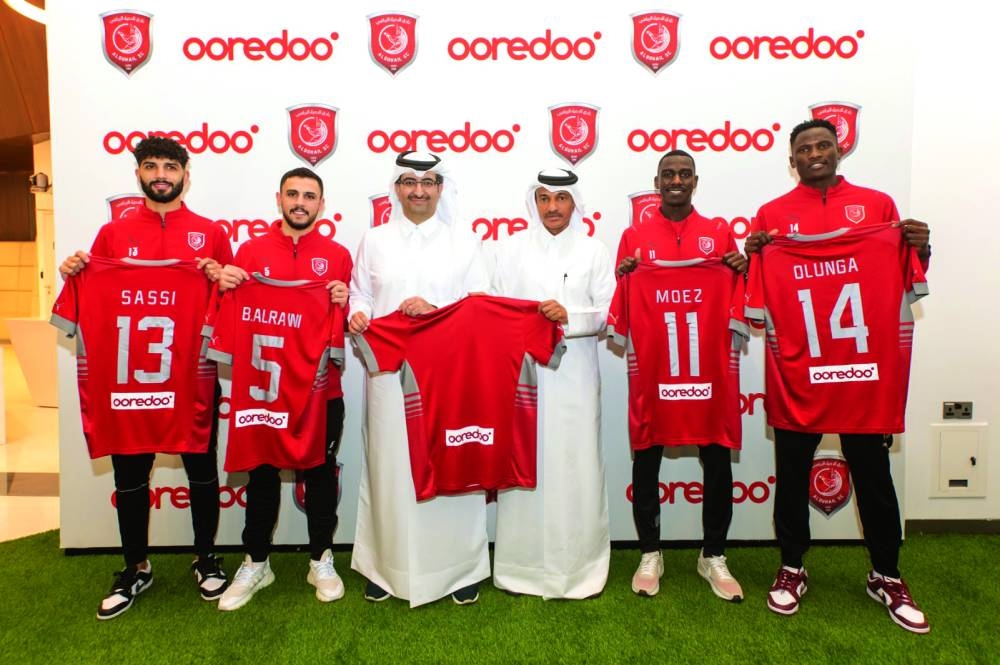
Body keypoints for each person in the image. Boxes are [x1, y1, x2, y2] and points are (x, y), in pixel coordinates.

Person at [744, 118, 931, 633]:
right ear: (793, 158)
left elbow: (908, 276)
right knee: (791, 474)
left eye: (823, 144)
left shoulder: (879, 207)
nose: (815, 153)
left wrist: (922, 245)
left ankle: (886, 574)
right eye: (804, 147)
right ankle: (791, 566)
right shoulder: (772, 218)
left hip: (861, 375)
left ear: (839, 149)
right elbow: (755, 297)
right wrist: (755, 256)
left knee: (874, 476)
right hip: (799, 374)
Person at [57, 136, 232, 619]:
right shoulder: (112, 235)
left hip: (190, 377)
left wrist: (222, 275)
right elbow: (90, 293)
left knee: (201, 471)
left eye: (170, 166)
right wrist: (75, 271)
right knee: (130, 475)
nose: (161, 174)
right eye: (151, 166)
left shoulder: (210, 233)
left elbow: (229, 302)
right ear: (138, 174)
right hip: (129, 381)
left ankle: (206, 558)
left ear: (185, 174)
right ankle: (136, 566)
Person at [348, 151, 490, 607]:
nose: (419, 191)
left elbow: (480, 305)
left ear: (440, 189)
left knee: (450, 461)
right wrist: (359, 313)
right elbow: (361, 293)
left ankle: (459, 569)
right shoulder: (374, 239)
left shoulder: (464, 241)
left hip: (449, 376)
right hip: (388, 377)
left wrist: (435, 312)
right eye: (409, 182)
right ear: (397, 188)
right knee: (391, 464)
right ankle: (386, 568)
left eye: (428, 183)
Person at [210, 167, 352, 610]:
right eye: (293, 194)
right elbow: (227, 313)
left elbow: (354, 320)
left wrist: (345, 301)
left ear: (321, 205)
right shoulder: (249, 252)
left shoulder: (339, 255)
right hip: (263, 393)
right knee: (262, 474)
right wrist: (227, 284)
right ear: (279, 199)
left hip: (319, 392)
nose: (300, 202)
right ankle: (256, 562)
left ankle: (321, 558)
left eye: (309, 196)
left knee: (320, 474)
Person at [615, 149, 748, 601]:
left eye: (684, 174)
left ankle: (713, 554)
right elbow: (621, 302)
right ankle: (650, 551)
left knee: (715, 456)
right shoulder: (633, 237)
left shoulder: (718, 233)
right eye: (668, 174)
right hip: (656, 374)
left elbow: (742, 300)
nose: (676, 180)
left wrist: (741, 269)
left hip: (706, 373)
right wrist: (625, 278)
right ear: (657, 182)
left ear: (696, 181)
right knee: (648, 454)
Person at [490, 168, 613, 599]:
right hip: (523, 380)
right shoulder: (508, 251)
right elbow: (493, 309)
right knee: (526, 468)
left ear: (574, 203)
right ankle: (520, 569)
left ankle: (578, 570)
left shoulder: (594, 251)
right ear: (534, 202)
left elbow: (606, 313)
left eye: (561, 199)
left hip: (575, 380)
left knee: (574, 467)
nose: (553, 207)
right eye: (544, 198)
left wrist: (569, 317)